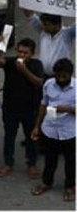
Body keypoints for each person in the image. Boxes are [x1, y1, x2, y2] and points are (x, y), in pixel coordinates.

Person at [0, 38, 44, 179]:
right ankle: (8, 163)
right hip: (10, 107)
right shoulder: (11, 62)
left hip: (30, 108)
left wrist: (24, 71)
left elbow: (39, 82)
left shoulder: (36, 64)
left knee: (31, 137)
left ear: (32, 53)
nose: (22, 55)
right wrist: (0, 48)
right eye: (20, 51)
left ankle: (31, 163)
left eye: (25, 53)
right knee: (9, 136)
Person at [31, 58, 75, 201]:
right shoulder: (49, 84)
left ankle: (70, 186)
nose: (60, 79)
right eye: (58, 76)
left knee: (71, 162)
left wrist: (68, 109)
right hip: (50, 130)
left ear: (70, 74)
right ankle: (46, 183)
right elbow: (43, 105)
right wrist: (37, 126)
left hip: (70, 132)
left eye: (64, 76)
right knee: (50, 160)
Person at [24, 10, 76, 78]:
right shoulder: (43, 31)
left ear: (57, 24)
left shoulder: (67, 33)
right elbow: (29, 15)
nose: (43, 26)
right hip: (42, 75)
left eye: (46, 24)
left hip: (60, 76)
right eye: (43, 24)